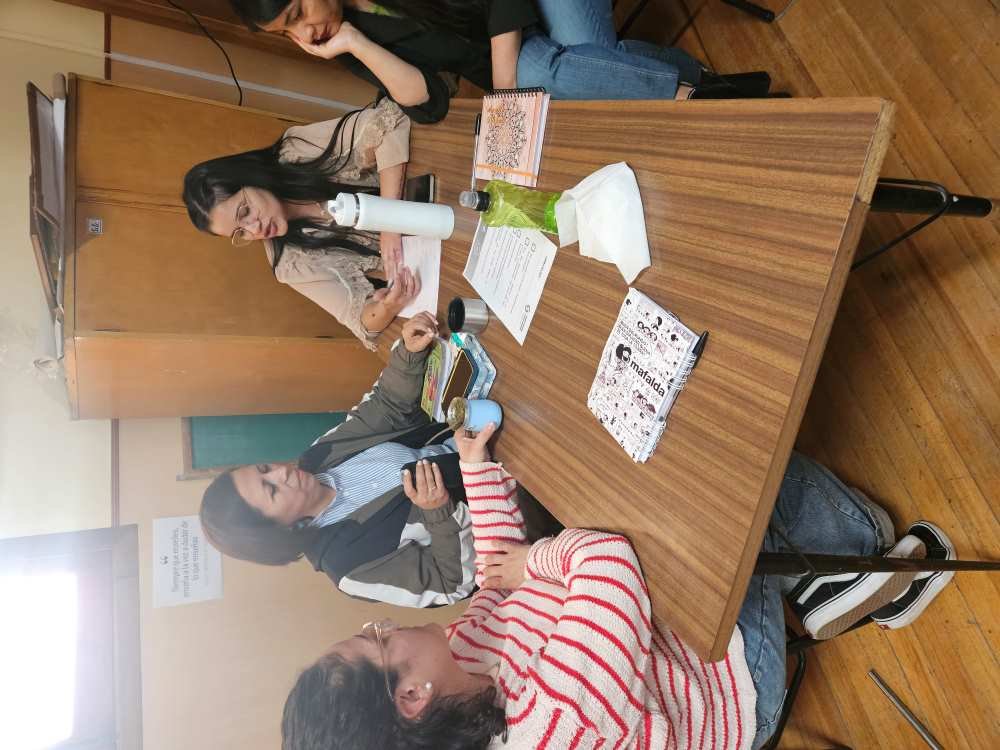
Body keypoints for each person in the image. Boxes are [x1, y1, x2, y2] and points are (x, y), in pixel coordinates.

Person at [280, 425, 956, 748]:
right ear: (411, 697)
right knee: (726, 484)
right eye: (376, 641)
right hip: (727, 682)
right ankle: (877, 564)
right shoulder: (549, 730)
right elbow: (606, 560)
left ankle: (814, 593)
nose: (383, 626)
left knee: (659, 477)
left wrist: (477, 466)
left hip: (653, 637)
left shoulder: (457, 665)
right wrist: (539, 563)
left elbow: (496, 581)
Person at [199, 312, 479, 608]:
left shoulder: (319, 455)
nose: (281, 473)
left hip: (482, 445)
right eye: (272, 491)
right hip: (507, 508)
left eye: (264, 469)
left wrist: (408, 356)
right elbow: (450, 584)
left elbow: (386, 408)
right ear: (281, 530)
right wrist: (438, 512)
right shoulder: (348, 565)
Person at [228, 1, 773, 125]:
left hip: (524, 11)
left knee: (543, 76)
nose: (306, 34)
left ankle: (700, 95)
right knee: (582, 69)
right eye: (288, 34)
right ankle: (701, 86)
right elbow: (427, 103)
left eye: (297, 14)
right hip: (520, 51)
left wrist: (508, 90)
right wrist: (354, 43)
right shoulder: (343, 35)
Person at [183, 98, 420, 349]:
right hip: (429, 254)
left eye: (245, 212)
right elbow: (361, 321)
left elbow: (385, 122)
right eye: (240, 232)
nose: (254, 230)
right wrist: (386, 306)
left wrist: (388, 221)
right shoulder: (290, 263)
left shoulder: (296, 151)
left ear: (249, 178)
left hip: (428, 179)